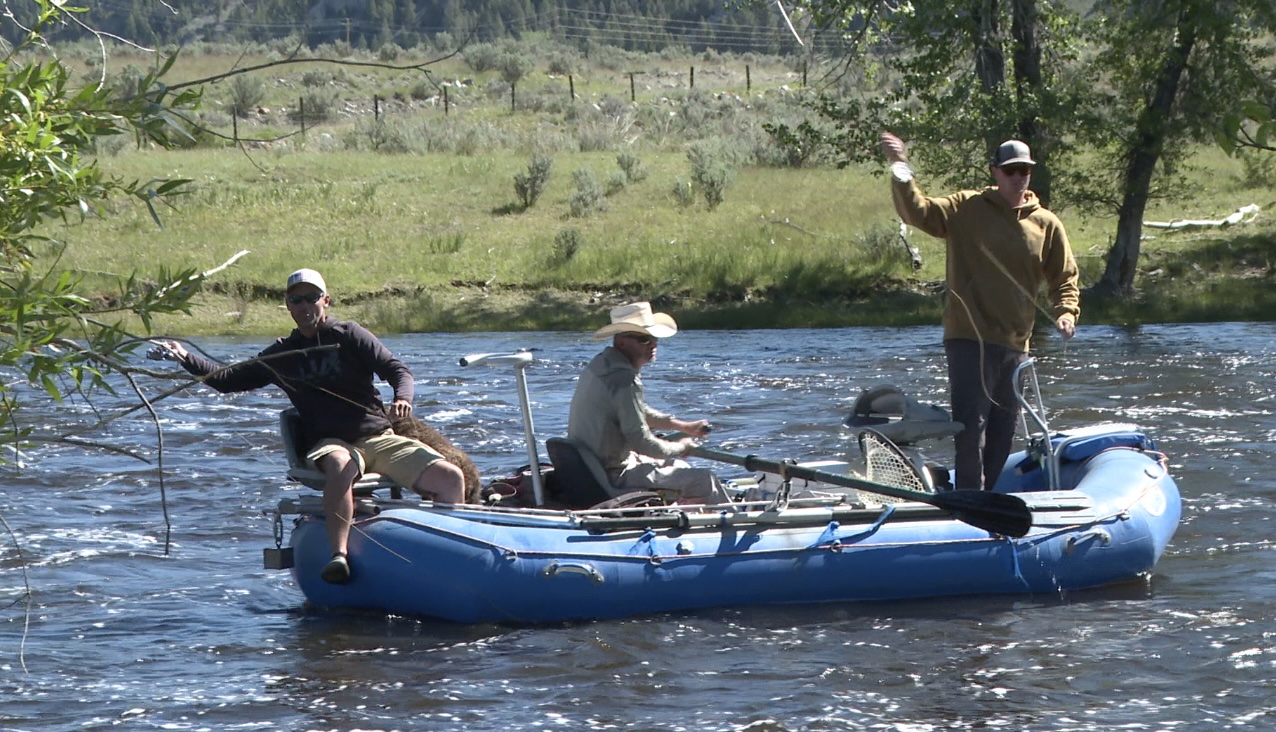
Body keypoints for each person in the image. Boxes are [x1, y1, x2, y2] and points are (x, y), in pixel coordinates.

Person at [154, 268, 466, 584]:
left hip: (378, 436)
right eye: (296, 300)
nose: (305, 306)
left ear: (325, 301)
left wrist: (403, 397)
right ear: (288, 306)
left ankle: (452, 559)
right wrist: (183, 356)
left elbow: (398, 370)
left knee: (451, 478)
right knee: (341, 465)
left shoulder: (350, 335)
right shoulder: (283, 354)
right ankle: (340, 557)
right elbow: (226, 380)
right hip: (331, 441)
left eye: (312, 298)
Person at [879, 132, 1080, 491]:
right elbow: (917, 211)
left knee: (1004, 432)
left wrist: (1066, 312)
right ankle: (969, 500)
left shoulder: (1046, 224)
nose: (1018, 177)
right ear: (995, 172)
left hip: (1017, 345)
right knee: (972, 429)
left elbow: (1064, 276)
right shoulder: (965, 207)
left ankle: (985, 498)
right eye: (1010, 171)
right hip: (968, 338)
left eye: (1024, 171)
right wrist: (900, 167)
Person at [567, 302, 731, 505]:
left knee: (676, 464)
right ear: (621, 342)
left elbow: (635, 411)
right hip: (614, 475)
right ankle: (733, 524)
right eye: (644, 339)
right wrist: (681, 446)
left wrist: (681, 426)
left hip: (595, 468)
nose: (653, 344)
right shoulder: (624, 378)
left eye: (654, 338)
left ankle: (687, 510)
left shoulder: (601, 365)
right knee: (704, 480)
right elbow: (640, 441)